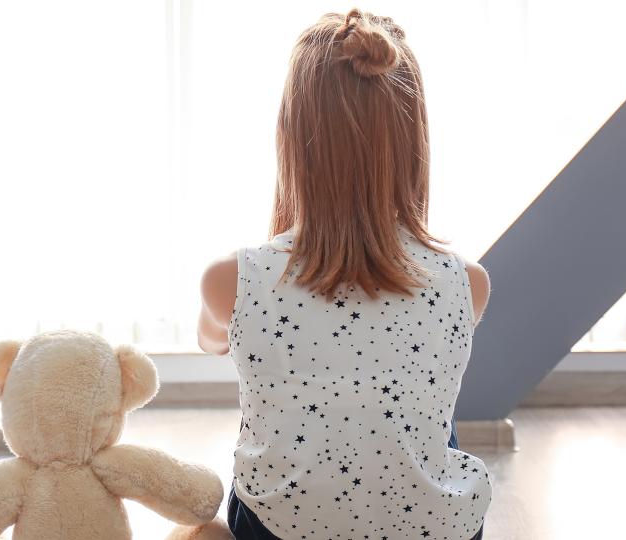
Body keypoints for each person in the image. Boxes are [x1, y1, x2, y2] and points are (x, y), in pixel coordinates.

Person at [196, 9, 492, 540]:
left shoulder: (231, 278)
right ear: (413, 140)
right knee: (424, 424)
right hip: (435, 528)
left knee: (276, 434)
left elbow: (210, 341)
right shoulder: (466, 282)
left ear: (290, 136)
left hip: (283, 529)